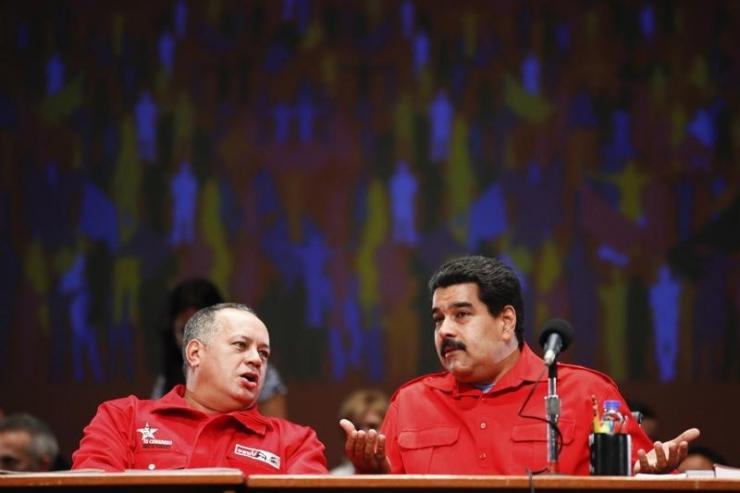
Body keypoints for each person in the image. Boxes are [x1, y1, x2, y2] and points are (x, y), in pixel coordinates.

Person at [340, 255, 700, 475]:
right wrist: (373, 475)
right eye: (438, 319)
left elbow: (641, 473)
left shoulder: (586, 393)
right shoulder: (411, 402)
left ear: (506, 321)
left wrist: (653, 474)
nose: (444, 330)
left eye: (461, 315)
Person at [73, 303, 327, 473]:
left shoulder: (295, 442)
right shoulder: (123, 418)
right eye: (240, 345)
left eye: (263, 353)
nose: (256, 359)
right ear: (195, 353)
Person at [152, 278, 288, 418]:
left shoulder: (256, 371)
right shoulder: (166, 381)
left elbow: (274, 427)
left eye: (201, 331)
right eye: (183, 331)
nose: (191, 342)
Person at [330, 389, 389, 475]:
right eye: (356, 427)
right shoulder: (335, 478)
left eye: (372, 426)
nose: (362, 433)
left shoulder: (404, 474)